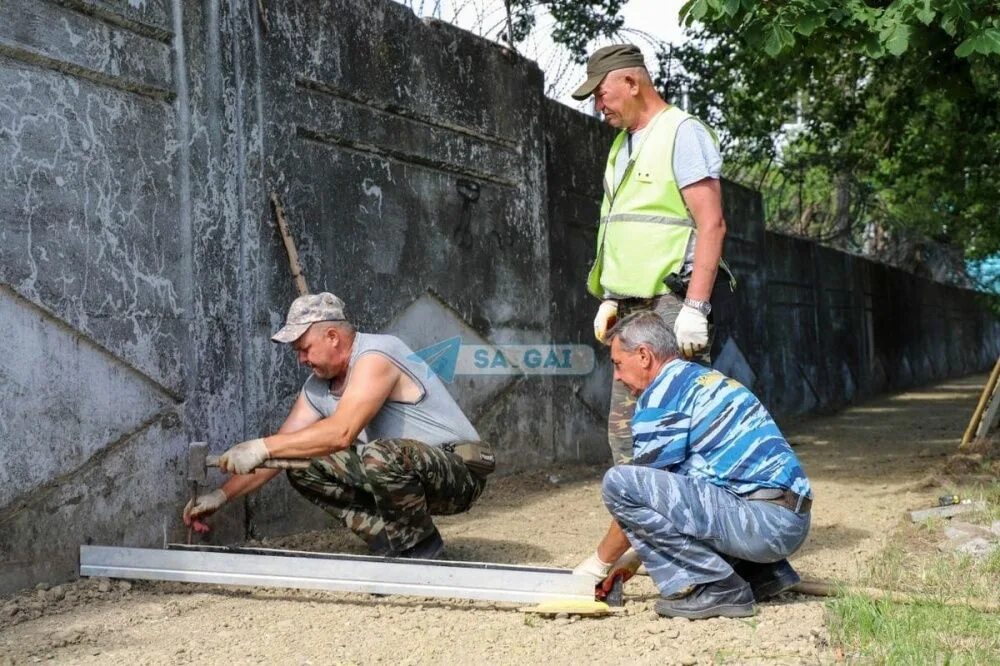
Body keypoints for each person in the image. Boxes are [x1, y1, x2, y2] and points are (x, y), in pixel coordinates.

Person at [182, 292, 494, 559]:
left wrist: (261, 446)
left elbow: (341, 432)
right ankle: (390, 542)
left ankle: (421, 550)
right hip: (406, 474)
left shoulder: (377, 354)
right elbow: (281, 447)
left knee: (377, 454)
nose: (301, 359)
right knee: (300, 462)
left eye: (305, 348)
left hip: (459, 472)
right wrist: (220, 497)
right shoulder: (317, 387)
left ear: (332, 337)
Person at [573, 312, 811, 619]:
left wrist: (597, 565)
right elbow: (682, 491)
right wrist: (637, 554)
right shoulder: (699, 379)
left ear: (644, 355)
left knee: (620, 484)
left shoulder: (662, 397)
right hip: (788, 520)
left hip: (764, 525)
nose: (616, 376)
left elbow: (640, 492)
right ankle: (762, 574)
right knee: (690, 477)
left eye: (618, 364)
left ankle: (719, 587)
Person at [571, 43, 734, 466]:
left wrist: (695, 307)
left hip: (670, 308)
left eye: (600, 94)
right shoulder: (621, 145)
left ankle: (694, 524)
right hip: (628, 310)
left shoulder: (681, 132)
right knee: (626, 436)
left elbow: (711, 223)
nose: (597, 106)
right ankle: (647, 525)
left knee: (678, 429)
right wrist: (610, 294)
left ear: (632, 81)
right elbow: (623, 225)